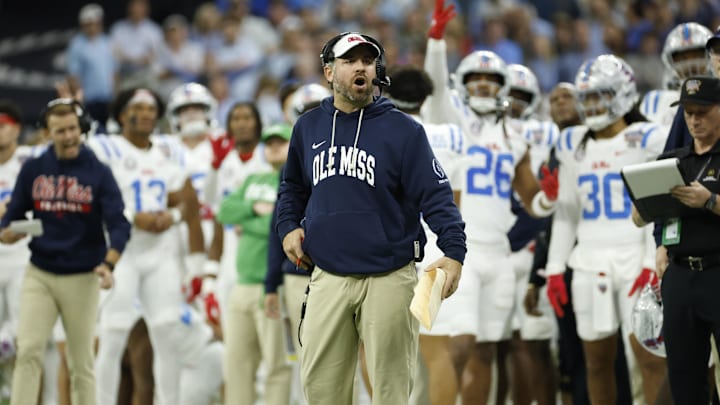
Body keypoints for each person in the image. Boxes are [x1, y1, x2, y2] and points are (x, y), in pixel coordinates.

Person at [276, 31, 467, 404]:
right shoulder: (308, 127)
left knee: (390, 393)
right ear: (329, 72)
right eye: (350, 61)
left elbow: (437, 195)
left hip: (390, 276)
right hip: (327, 275)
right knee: (321, 392)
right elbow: (292, 189)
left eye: (367, 61)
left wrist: (455, 250)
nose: (360, 67)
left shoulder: (404, 130)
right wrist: (288, 228)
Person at [423, 2, 557, 402]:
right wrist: (436, 42)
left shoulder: (517, 135)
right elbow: (433, 84)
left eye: (490, 80)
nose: (482, 85)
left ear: (503, 87)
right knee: (455, 345)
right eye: (475, 79)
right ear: (463, 84)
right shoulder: (453, 121)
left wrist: (549, 197)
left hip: (498, 251)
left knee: (485, 349)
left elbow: (532, 198)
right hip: (456, 250)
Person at [544, 54, 668, 404]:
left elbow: (656, 209)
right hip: (589, 261)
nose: (594, 104)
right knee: (596, 362)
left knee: (648, 357)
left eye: (602, 95)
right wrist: (555, 268)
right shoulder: (571, 142)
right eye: (589, 97)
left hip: (634, 256)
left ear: (623, 93)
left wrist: (649, 261)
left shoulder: (647, 137)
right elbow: (566, 212)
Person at [0, 98, 131, 405]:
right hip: (40, 273)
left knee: (81, 360)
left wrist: (109, 263)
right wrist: (8, 231)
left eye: (73, 128)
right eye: (60, 131)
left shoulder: (99, 172)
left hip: (82, 275)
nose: (69, 136)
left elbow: (119, 224)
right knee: (28, 349)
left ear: (81, 128)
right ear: (47, 133)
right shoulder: (33, 169)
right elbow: (13, 215)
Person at [88, 87, 205, 405]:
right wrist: (130, 216)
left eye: (151, 108)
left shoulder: (170, 150)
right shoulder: (105, 148)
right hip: (120, 253)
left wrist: (174, 216)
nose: (146, 114)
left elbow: (189, 202)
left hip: (160, 252)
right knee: (112, 336)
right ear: (122, 114)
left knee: (167, 335)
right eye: (138, 107)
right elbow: (91, 198)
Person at [631, 76, 720, 404]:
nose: (694, 119)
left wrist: (709, 201)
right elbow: (640, 218)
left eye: (703, 111)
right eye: (688, 112)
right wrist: (646, 212)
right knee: (683, 374)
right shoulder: (671, 162)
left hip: (717, 270)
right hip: (680, 275)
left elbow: (705, 202)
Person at [383, 65, 462, 405]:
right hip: (433, 252)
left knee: (381, 350)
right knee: (434, 348)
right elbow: (454, 201)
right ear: (426, 98)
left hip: (389, 254)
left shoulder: (381, 132)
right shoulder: (451, 137)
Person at [217, 123, 293, 405]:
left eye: (280, 142)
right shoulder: (253, 180)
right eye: (269, 143)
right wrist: (252, 210)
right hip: (242, 284)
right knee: (235, 364)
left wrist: (247, 223)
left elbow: (280, 229)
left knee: (276, 364)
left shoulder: (294, 183)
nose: (274, 147)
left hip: (271, 285)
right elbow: (224, 211)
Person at [640, 23, 712, 129]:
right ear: (670, 62)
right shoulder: (656, 100)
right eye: (683, 58)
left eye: (696, 55)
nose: (690, 64)